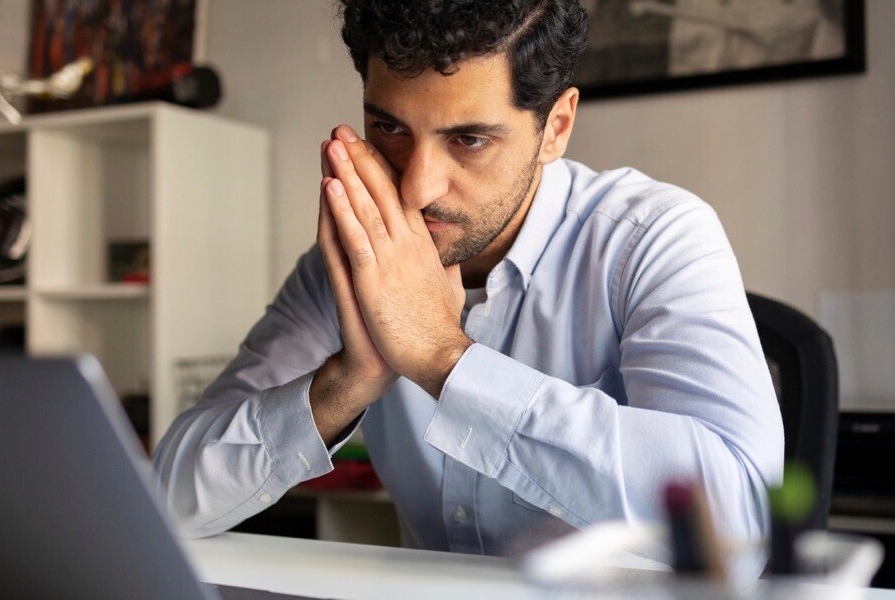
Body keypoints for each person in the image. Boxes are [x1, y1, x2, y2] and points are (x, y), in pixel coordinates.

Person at [154, 0, 783, 561]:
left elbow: (739, 522)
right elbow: (168, 495)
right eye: (390, 128)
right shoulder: (348, 265)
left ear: (555, 128)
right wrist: (346, 382)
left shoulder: (652, 237)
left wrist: (441, 358)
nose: (416, 186)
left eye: (470, 139)